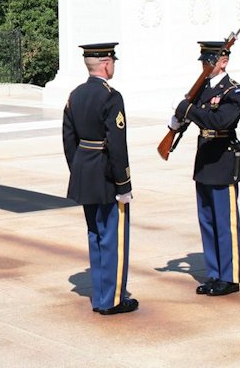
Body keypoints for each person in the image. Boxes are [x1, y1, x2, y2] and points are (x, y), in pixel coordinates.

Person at [63, 43, 138, 315]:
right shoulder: (111, 97)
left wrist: (79, 169)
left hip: (84, 172)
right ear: (107, 64)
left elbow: (68, 139)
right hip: (106, 176)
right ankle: (113, 299)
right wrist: (124, 184)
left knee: (94, 234)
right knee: (112, 238)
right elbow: (117, 145)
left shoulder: (75, 94)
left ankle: (100, 296)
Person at [170, 41, 240, 296]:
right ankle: (214, 274)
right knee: (207, 221)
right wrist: (176, 123)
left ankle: (230, 276)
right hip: (204, 159)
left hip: (223, 161)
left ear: (223, 61)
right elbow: (194, 117)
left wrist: (189, 109)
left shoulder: (234, 91)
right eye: (203, 62)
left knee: (225, 222)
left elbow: (220, 120)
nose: (205, 66)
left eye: (209, 61)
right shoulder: (203, 88)